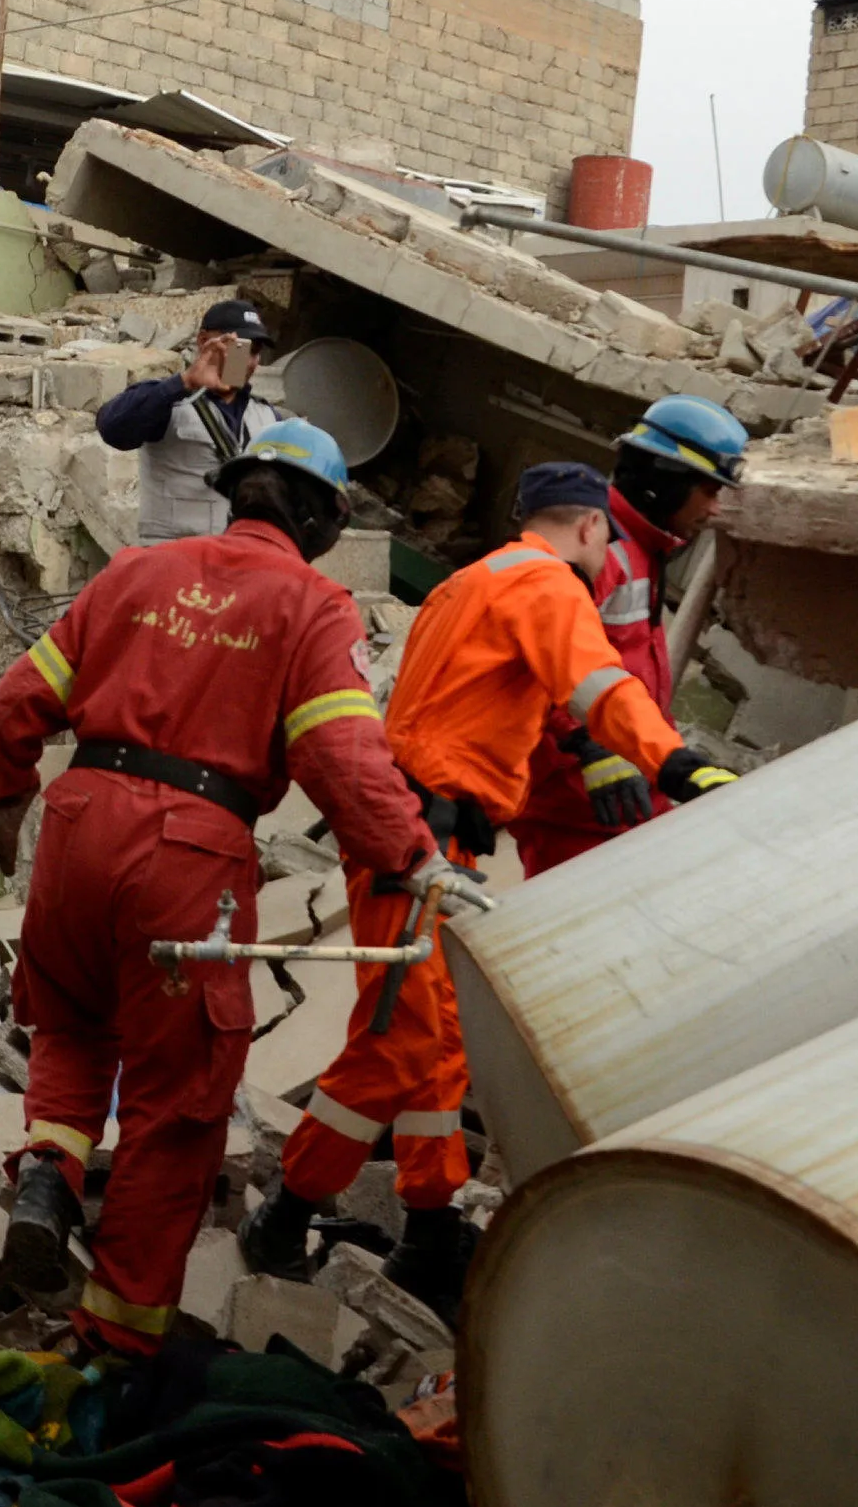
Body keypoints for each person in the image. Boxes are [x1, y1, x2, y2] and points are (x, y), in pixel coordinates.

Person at [0, 421, 471, 1356]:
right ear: (319, 521)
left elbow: (9, 707)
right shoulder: (312, 605)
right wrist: (411, 855)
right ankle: (122, 1342)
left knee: (72, 1025)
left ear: (240, 493)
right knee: (176, 1104)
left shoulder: (136, 574)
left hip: (73, 829)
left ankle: (49, 1179)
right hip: (186, 852)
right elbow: (341, 757)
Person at [245, 461, 739, 1317]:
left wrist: (576, 751)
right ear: (589, 527)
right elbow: (599, 684)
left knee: (436, 1041)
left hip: (422, 840)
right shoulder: (549, 586)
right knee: (397, 1042)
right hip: (419, 847)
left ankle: (430, 1230)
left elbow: (500, 698)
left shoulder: (472, 584)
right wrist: (678, 762)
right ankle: (285, 1216)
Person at [508, 396, 750, 877]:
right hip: (582, 804)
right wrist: (591, 750)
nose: (716, 508)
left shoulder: (642, 549)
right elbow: (531, 663)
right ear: (667, 481)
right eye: (709, 490)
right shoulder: (596, 552)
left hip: (627, 793)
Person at [93, 298, 286, 541]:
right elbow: (113, 428)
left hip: (236, 562)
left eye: (255, 350)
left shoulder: (266, 416)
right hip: (173, 561)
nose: (248, 360)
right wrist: (185, 382)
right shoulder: (167, 400)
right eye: (239, 346)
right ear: (204, 341)